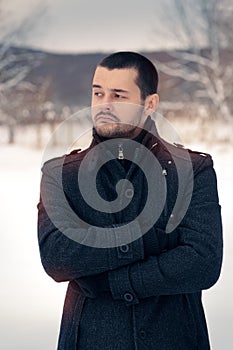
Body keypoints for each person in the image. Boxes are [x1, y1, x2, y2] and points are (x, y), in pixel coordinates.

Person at [37, 51, 223, 350]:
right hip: (91, 342)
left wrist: (114, 282)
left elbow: (202, 263)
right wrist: (146, 239)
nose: (104, 104)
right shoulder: (61, 174)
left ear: (150, 104)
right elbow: (57, 258)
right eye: (98, 93)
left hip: (175, 339)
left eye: (118, 95)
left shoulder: (193, 170)